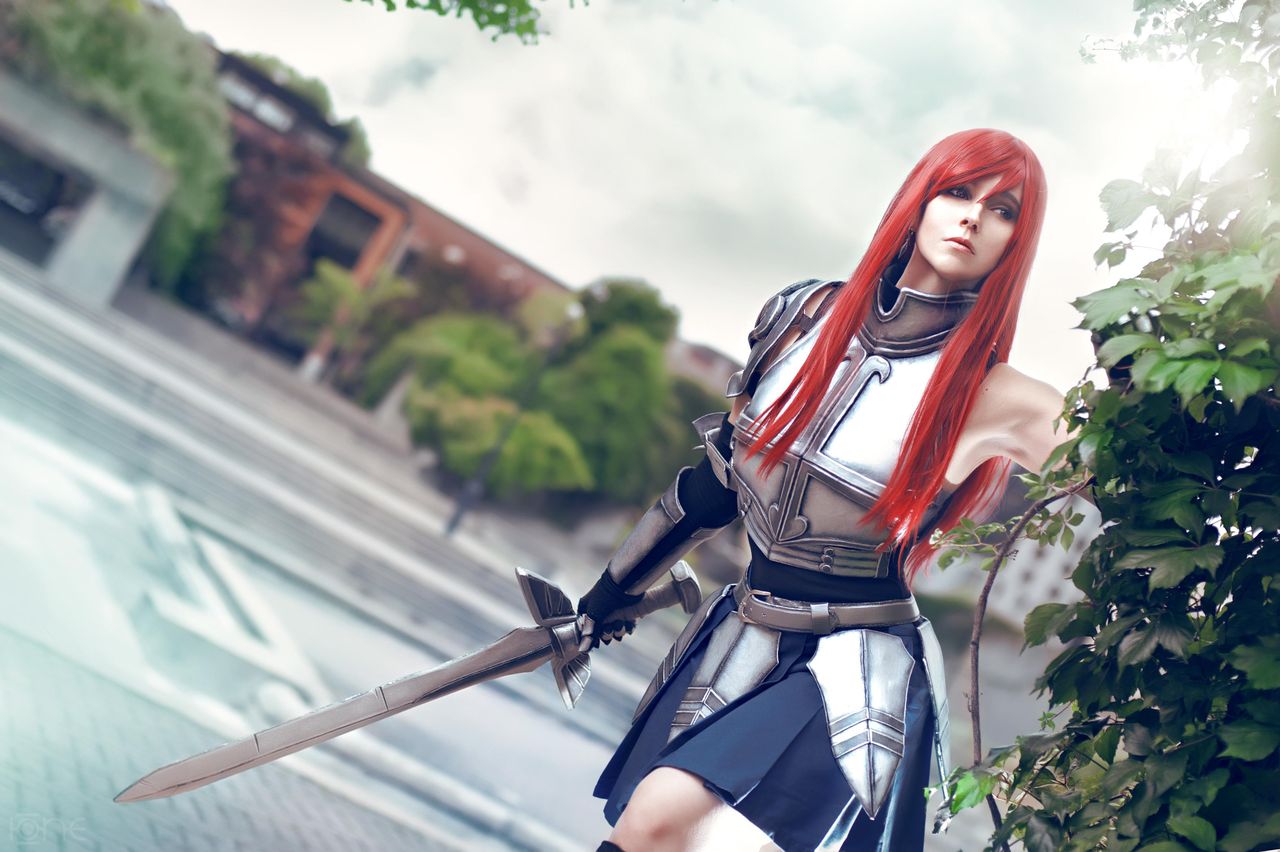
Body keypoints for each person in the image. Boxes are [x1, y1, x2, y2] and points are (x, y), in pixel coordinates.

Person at [576, 128, 1069, 852]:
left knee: (657, 817)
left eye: (1003, 210)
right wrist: (610, 593)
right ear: (919, 198)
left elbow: (1130, 471)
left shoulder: (1003, 396)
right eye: (959, 192)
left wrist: (1143, 387)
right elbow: (719, 484)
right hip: (746, 629)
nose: (972, 217)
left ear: (1016, 242)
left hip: (853, 662)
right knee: (659, 836)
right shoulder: (800, 317)